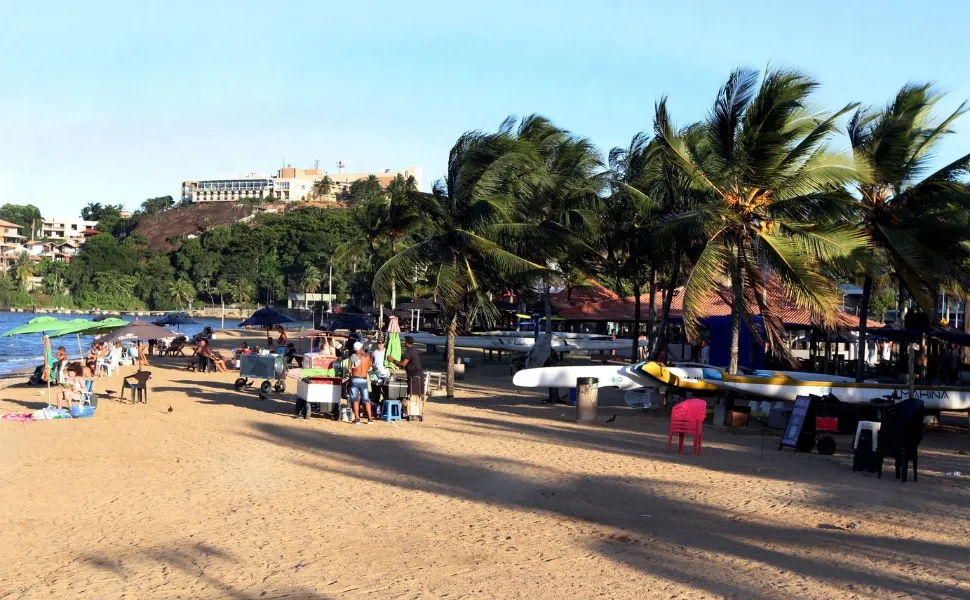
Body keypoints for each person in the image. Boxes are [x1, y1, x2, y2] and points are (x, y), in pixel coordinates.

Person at [391, 335, 425, 402]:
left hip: (414, 376)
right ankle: (419, 409)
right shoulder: (414, 349)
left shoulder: (408, 351)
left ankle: (414, 409)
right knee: (420, 394)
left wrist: (393, 360)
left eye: (405, 342)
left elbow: (404, 363)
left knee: (412, 395)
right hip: (420, 374)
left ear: (406, 342)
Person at [348, 341, 373, 424]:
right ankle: (370, 419)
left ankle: (357, 418)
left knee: (355, 399)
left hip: (355, 378)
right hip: (364, 379)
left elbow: (349, 370)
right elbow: (369, 367)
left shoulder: (353, 356)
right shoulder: (367, 356)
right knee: (366, 399)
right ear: (361, 347)